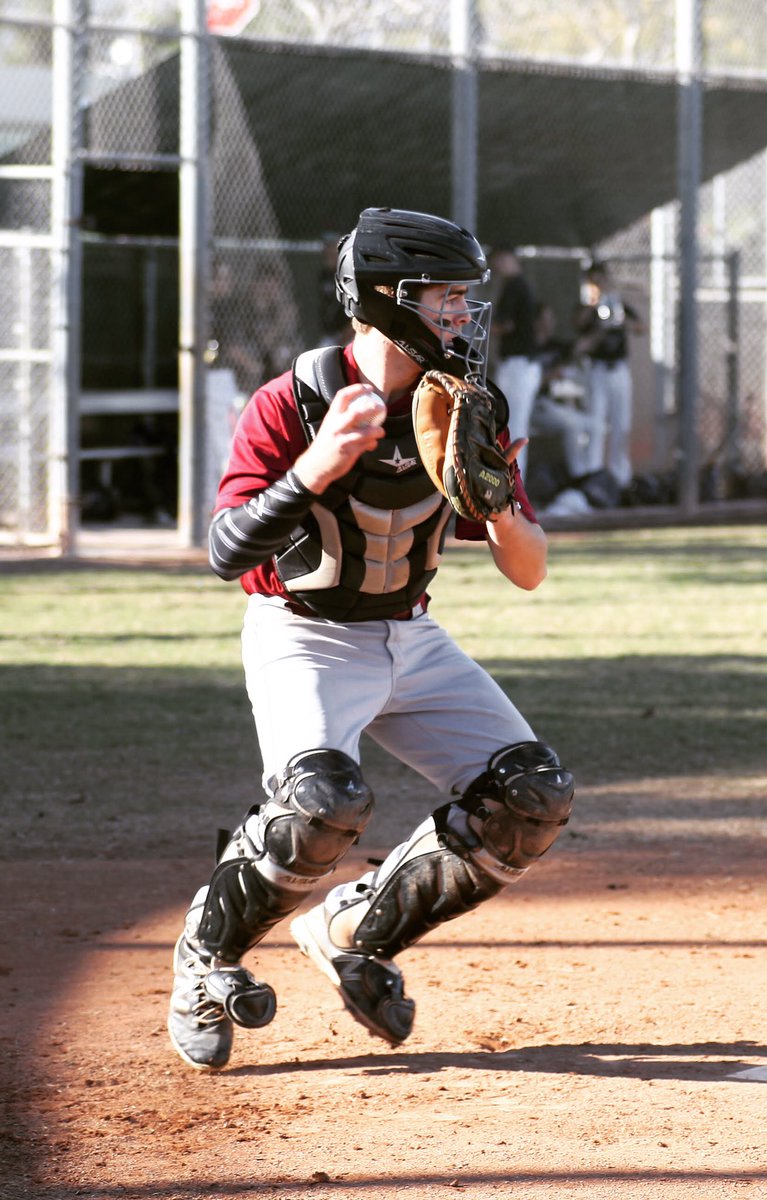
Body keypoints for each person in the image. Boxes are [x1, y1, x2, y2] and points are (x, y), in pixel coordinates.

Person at [166, 207, 575, 1072]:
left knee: (532, 798)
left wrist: (495, 498)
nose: (464, 317)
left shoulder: (463, 405)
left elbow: (530, 571)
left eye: (468, 299)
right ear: (387, 301)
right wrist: (314, 466)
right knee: (321, 809)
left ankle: (354, 929)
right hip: (302, 635)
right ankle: (205, 957)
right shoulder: (295, 398)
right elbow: (225, 549)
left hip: (410, 636)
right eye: (446, 299)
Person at [573, 260, 645, 489]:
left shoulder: (618, 304)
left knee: (620, 424)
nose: (599, 283)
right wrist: (595, 306)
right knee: (595, 424)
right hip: (596, 371)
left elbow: (641, 328)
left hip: (618, 370)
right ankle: (592, 475)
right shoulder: (588, 307)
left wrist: (620, 316)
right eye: (594, 280)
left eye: (602, 278)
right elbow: (578, 325)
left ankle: (620, 477)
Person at [489, 246, 540, 475]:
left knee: (513, 428)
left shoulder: (515, 285)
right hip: (518, 365)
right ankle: (514, 484)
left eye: (499, 259)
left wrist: (478, 327)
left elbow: (505, 325)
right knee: (510, 427)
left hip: (519, 365)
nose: (497, 265)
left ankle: (515, 487)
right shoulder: (518, 285)